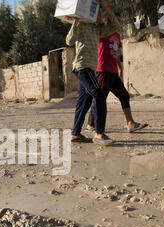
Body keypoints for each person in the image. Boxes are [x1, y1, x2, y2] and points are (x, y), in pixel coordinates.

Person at [66, 0, 120, 146]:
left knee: (84, 102)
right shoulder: (82, 25)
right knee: (100, 95)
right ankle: (99, 133)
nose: (103, 15)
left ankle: (75, 134)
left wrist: (106, 6)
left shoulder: (98, 30)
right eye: (101, 12)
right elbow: (69, 41)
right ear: (93, 12)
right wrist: (75, 23)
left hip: (90, 69)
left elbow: (116, 26)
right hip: (82, 67)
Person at [87, 12, 149, 133]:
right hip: (103, 70)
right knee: (100, 98)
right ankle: (90, 124)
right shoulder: (102, 31)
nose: (118, 23)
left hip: (113, 72)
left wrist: (120, 68)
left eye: (119, 20)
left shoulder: (116, 35)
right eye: (116, 20)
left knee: (124, 96)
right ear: (108, 21)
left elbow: (115, 54)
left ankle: (130, 123)